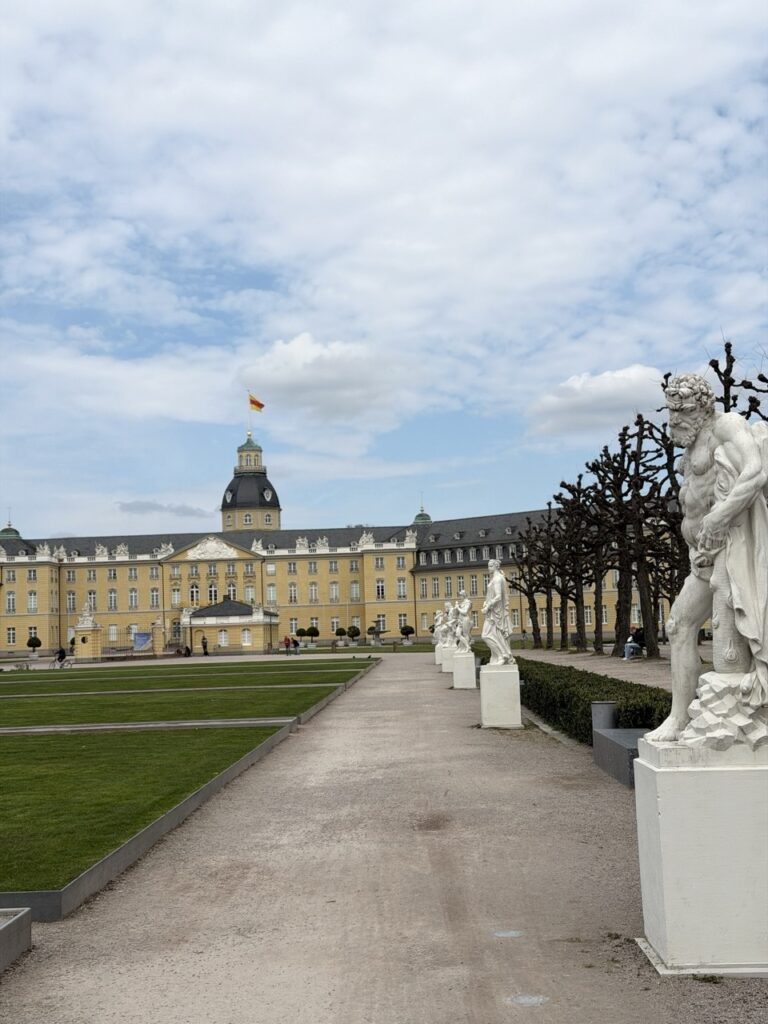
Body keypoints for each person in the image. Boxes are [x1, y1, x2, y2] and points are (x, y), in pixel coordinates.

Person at [646, 373, 768, 742]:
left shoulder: (727, 425)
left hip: (731, 551)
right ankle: (680, 718)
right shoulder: (691, 444)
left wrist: (719, 516)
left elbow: (756, 471)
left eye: (681, 412)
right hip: (702, 556)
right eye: (670, 412)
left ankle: (735, 725)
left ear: (702, 406)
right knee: (679, 626)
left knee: (728, 653)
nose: (673, 420)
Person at [481, 559, 514, 665]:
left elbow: (499, 596)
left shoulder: (497, 579)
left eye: (490, 566)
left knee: (485, 635)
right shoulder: (495, 578)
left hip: (495, 613)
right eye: (488, 566)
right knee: (494, 635)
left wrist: (488, 606)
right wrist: (486, 603)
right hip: (493, 612)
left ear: (496, 567)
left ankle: (502, 655)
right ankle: (499, 656)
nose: (488, 568)